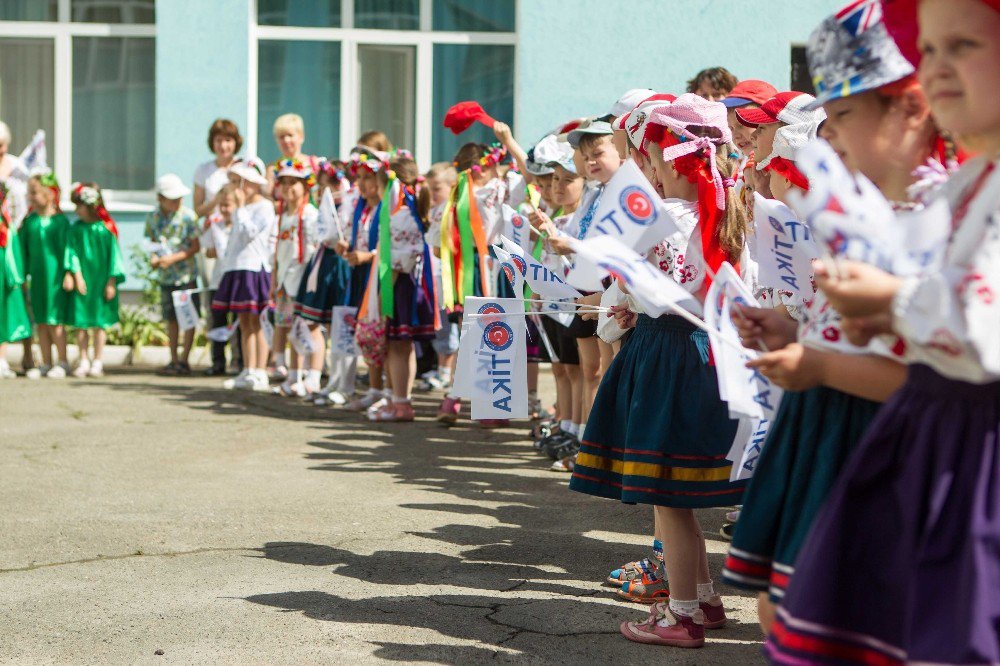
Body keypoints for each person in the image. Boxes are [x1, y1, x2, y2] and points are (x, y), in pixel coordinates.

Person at [766, 0, 1000, 662]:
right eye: (927, 50)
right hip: (940, 439)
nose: (937, 69)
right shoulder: (973, 182)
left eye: (964, 46)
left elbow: (985, 330)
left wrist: (894, 301)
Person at [569, 94, 748, 649]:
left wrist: (576, 254)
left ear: (672, 161)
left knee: (668, 499)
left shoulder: (668, 216)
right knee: (679, 496)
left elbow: (626, 277)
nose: (644, 168)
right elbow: (687, 292)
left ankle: (684, 615)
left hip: (669, 359)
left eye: (648, 157)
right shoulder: (730, 208)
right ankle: (704, 599)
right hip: (702, 353)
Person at [364, 156, 437, 422]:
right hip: (407, 285)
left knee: (397, 345)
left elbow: (398, 261)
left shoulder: (401, 216)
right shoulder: (408, 212)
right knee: (402, 347)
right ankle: (400, 400)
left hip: (400, 287)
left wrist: (383, 297)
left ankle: (401, 404)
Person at [211, 158, 275, 392]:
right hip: (237, 267)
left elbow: (250, 234)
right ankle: (248, 369)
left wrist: (239, 210)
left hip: (254, 268)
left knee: (257, 321)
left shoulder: (264, 207)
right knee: (244, 323)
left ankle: (260, 370)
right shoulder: (244, 208)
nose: (238, 188)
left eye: (242, 183)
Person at [297, 160, 353, 406]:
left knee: (341, 326)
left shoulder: (349, 205)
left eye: (325, 186)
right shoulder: (327, 206)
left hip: (340, 265)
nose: (321, 192)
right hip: (326, 263)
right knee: (329, 325)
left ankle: (344, 383)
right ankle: (332, 380)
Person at [64, 183, 125, 379]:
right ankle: (83, 359)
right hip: (84, 280)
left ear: (91, 206)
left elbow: (115, 256)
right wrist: (76, 275)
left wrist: (111, 282)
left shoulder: (105, 229)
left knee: (100, 322)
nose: (76, 211)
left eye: (79, 206)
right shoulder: (76, 229)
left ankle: (98, 360)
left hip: (101, 281)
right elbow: (71, 252)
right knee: (81, 322)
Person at [270, 159, 320, 397]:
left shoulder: (309, 214)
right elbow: (278, 251)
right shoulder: (282, 215)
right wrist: (274, 279)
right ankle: (293, 375)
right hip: (285, 280)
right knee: (289, 327)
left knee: (307, 327)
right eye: (284, 183)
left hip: (303, 279)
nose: (288, 188)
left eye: (294, 183)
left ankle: (312, 375)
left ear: (305, 186)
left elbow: (315, 249)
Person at [145, 174, 201, 376]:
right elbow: (152, 241)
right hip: (166, 277)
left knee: (188, 318)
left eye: (179, 197)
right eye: (172, 198)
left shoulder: (188, 217)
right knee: (171, 319)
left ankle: (185, 359)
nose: (178, 201)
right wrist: (154, 257)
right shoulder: (153, 217)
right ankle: (174, 359)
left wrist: (173, 259)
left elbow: (195, 247)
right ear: (160, 198)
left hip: (186, 275)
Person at [20, 172, 71, 378]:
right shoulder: (30, 222)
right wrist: (22, 275)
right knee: (41, 319)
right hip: (37, 278)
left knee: (54, 320)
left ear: (50, 194)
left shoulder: (60, 222)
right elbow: (23, 250)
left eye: (34, 193)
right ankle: (46, 362)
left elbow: (68, 249)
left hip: (55, 278)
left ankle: (63, 360)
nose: (30, 197)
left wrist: (69, 273)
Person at [192, 119, 243, 318]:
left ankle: (238, 345)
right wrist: (217, 200)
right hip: (212, 236)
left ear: (236, 142)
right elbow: (198, 209)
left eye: (228, 140)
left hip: (237, 235)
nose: (223, 146)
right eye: (219, 140)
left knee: (238, 291)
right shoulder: (204, 170)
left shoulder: (242, 167)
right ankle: (217, 342)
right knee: (214, 290)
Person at [420, 162, 459, 391]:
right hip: (433, 275)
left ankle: (447, 370)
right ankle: (442, 368)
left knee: (447, 325)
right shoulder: (435, 211)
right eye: (430, 188)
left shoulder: (453, 211)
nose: (432, 194)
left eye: (436, 189)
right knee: (438, 325)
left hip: (447, 276)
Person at [201, 184, 243, 376]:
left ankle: (239, 360)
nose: (225, 209)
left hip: (236, 280)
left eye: (229, 205)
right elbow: (208, 251)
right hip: (218, 280)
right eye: (222, 205)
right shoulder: (215, 223)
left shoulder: (241, 223)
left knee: (237, 322)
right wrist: (215, 249)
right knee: (217, 320)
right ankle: (218, 361)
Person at [0, 180, 31, 378]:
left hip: (4, 276)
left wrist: (16, 276)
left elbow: (12, 250)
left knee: (4, 313)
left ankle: (2, 360)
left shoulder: (5, 223)